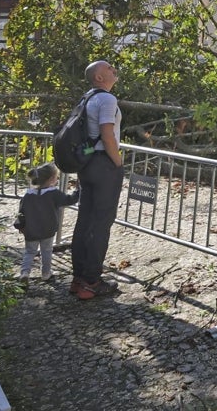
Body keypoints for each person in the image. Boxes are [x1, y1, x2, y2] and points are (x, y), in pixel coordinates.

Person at [69, 59, 124, 300]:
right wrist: (118, 161)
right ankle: (92, 281)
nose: (114, 69)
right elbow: (107, 133)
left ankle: (79, 277)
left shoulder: (87, 97)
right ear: (100, 78)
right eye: (109, 68)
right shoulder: (107, 99)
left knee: (85, 219)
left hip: (88, 163)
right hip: (104, 163)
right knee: (102, 222)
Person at [16, 162, 78, 284]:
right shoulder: (53, 194)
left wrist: (21, 226)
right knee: (46, 251)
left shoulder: (28, 195)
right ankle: (46, 273)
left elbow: (21, 212)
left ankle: (24, 272)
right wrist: (78, 190)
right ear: (51, 179)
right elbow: (69, 200)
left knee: (29, 252)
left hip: (31, 229)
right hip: (48, 229)